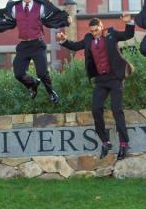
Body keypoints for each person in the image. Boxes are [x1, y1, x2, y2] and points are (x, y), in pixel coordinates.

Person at [56, 13, 134, 160]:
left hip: (115, 77)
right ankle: (105, 141)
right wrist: (63, 40)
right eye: (92, 31)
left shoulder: (110, 34)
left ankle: (124, 143)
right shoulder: (88, 39)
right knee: (96, 108)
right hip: (100, 80)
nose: (94, 33)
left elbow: (128, 35)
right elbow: (75, 46)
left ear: (101, 27)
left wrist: (129, 22)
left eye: (96, 30)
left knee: (116, 109)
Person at [0, 0, 70, 103]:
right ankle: (33, 84)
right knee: (18, 73)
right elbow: (4, 15)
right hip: (23, 45)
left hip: (37, 44)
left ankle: (51, 92)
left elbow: (53, 13)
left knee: (42, 73)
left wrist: (66, 18)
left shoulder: (40, 7)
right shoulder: (15, 8)